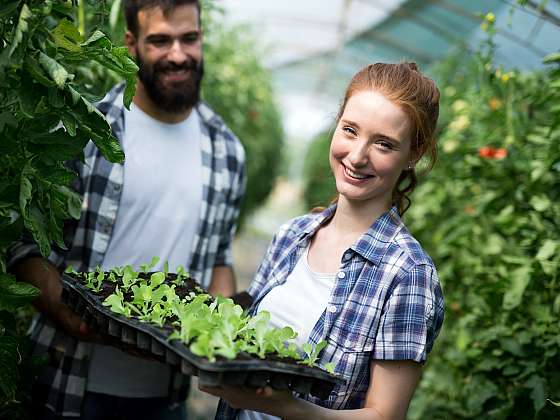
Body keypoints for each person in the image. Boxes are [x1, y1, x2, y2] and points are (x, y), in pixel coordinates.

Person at [7, 0, 246, 419]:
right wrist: (74, 317)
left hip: (165, 395)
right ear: (131, 45)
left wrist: (221, 330)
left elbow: (220, 259)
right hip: (68, 384)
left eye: (189, 38)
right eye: (160, 41)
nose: (178, 54)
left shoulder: (226, 151)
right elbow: (23, 248)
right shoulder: (85, 129)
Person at [203, 62, 445, 420]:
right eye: (350, 130)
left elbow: (384, 415)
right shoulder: (291, 236)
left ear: (413, 155)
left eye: (384, 144)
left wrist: (286, 407)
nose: (358, 155)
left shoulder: (408, 274)